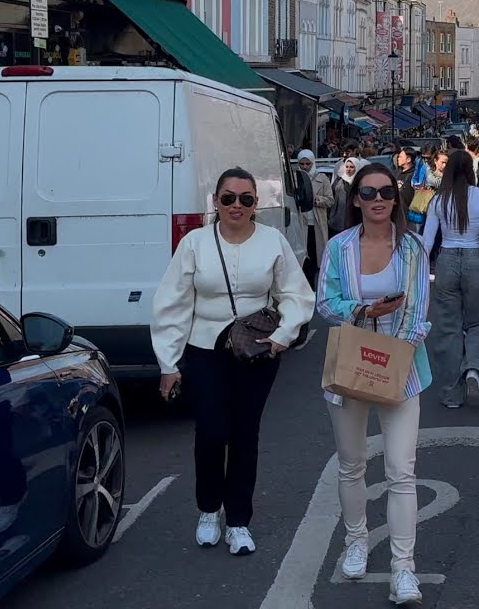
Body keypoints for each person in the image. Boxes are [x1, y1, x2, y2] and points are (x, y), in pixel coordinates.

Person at [152, 167, 315, 556]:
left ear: (256, 204)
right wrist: (168, 364)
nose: (236, 205)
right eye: (228, 198)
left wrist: (280, 337)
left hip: (256, 351)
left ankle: (239, 520)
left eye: (245, 199)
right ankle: (209, 510)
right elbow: (172, 304)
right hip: (204, 349)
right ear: (216, 202)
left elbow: (297, 295)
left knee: (245, 434)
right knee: (210, 432)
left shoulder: (273, 241)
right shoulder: (194, 243)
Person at [316, 162, 431, 605]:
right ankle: (356, 542)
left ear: (396, 198)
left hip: (402, 371)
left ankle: (404, 568)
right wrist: (364, 312)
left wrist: (392, 359)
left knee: (402, 472)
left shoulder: (414, 249)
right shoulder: (340, 247)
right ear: (356, 199)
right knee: (351, 464)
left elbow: (420, 313)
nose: (378, 199)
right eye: (368, 192)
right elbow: (325, 302)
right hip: (348, 367)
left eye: (386, 191)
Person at [422, 150, 479, 408]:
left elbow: (426, 242)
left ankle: (451, 392)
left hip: (446, 260)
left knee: (448, 327)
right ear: (471, 170)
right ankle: (473, 370)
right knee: (478, 321)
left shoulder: (438, 200)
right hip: (474, 261)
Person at [297, 150, 333, 286]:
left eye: (308, 163)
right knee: (304, 258)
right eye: (302, 164)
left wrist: (314, 199)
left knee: (317, 258)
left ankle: (317, 287)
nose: (305, 166)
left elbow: (330, 200)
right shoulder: (297, 178)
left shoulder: (322, 178)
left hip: (318, 224)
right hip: (302, 224)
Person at [330, 157, 365, 236]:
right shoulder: (339, 181)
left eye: (352, 167)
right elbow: (332, 197)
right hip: (338, 220)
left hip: (356, 220)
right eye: (347, 166)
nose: (348, 169)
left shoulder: (361, 182)